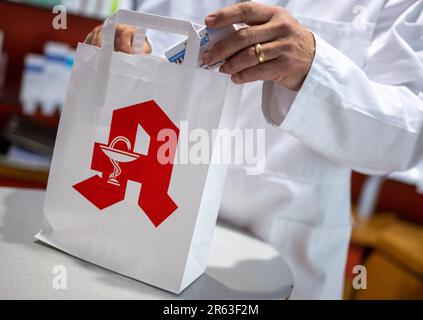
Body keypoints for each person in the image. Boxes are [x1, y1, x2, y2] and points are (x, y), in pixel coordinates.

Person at [85, 0, 423, 299]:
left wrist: (315, 69)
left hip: (284, 259)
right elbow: (150, 46)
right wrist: (120, 49)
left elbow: (409, 136)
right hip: (150, 235)